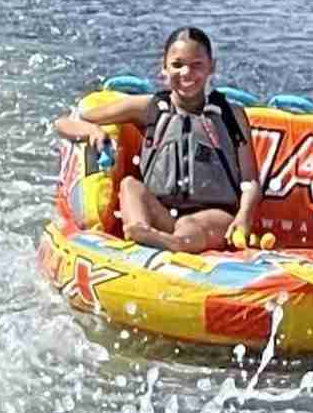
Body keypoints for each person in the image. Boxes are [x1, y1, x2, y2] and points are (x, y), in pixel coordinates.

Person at [54, 27, 262, 254]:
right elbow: (65, 123)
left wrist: (244, 217)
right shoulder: (149, 108)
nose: (186, 73)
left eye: (197, 65)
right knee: (130, 185)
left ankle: (169, 243)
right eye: (177, 65)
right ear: (164, 67)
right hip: (161, 213)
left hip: (214, 218)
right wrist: (92, 132)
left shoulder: (231, 116)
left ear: (211, 67)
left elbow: (250, 180)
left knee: (189, 224)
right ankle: (139, 230)